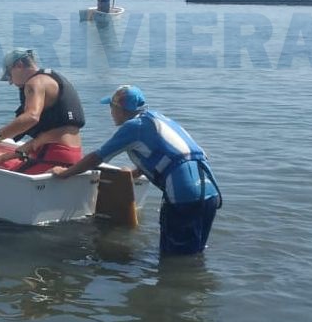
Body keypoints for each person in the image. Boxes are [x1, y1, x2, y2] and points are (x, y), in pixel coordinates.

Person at [52, 85, 221, 255]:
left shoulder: (133, 127)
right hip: (210, 190)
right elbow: (168, 155)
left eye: (111, 107)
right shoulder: (158, 119)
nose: (110, 112)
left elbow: (97, 157)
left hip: (184, 192)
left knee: (174, 258)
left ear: (120, 109)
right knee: (194, 253)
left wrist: (65, 173)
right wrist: (133, 174)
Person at [0, 48, 85, 174]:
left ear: (19, 65)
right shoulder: (52, 78)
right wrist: (5, 157)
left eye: (9, 75)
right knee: (7, 164)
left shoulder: (34, 83)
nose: (10, 82)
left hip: (53, 155)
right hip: (74, 155)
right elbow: (44, 138)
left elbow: (31, 117)